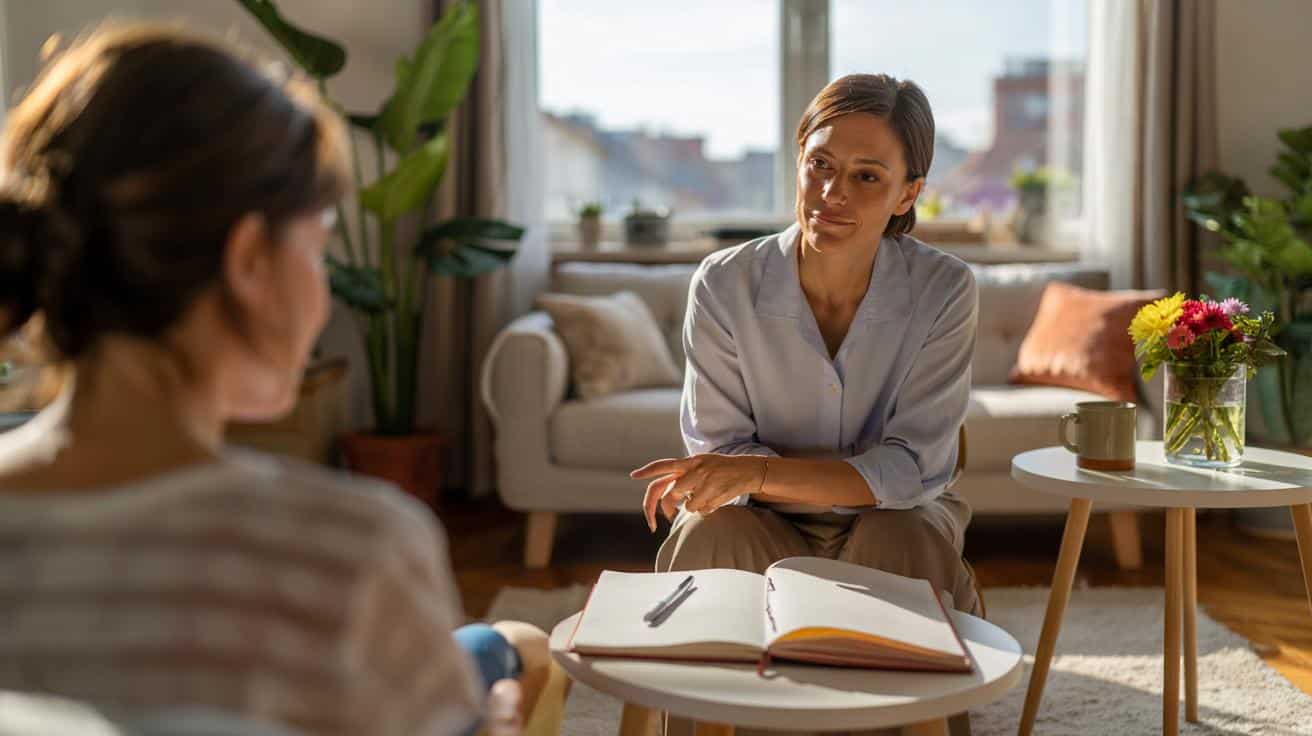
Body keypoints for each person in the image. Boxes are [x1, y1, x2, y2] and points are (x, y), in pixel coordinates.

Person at [0, 23, 550, 736]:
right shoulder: (348, 553)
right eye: (318, 246)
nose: (323, 290)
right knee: (523, 653)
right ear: (250, 257)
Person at [632, 74, 981, 619]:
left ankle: (908, 702)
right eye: (820, 164)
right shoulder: (724, 283)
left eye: (867, 176)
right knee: (709, 532)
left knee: (902, 535)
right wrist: (746, 476)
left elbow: (910, 472)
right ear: (799, 161)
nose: (832, 192)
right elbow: (722, 456)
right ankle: (717, 700)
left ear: (907, 194)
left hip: (896, 516)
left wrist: (760, 473)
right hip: (764, 517)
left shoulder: (945, 289)